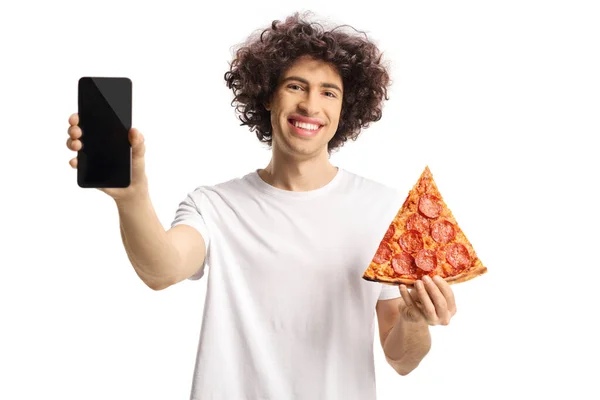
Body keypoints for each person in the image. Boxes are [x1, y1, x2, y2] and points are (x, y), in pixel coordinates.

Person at [66, 12, 457, 400]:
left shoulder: (384, 210)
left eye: (328, 92)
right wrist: (133, 196)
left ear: (345, 109)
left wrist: (412, 319)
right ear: (269, 95)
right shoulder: (215, 206)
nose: (310, 105)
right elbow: (162, 269)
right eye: (296, 86)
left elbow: (402, 358)